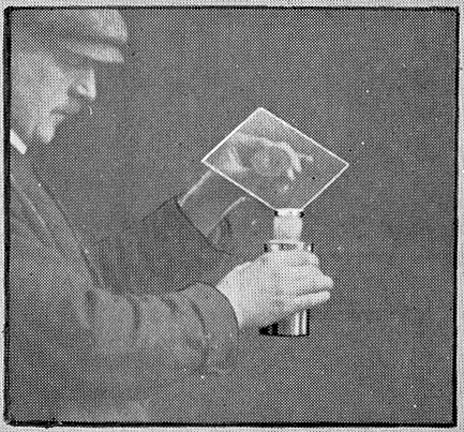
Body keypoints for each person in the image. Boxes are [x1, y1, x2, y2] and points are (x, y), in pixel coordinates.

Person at [7, 9, 334, 423]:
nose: (89, 91)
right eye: (73, 61)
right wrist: (232, 306)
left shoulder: (14, 171)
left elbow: (87, 296)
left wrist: (211, 197)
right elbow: (80, 345)